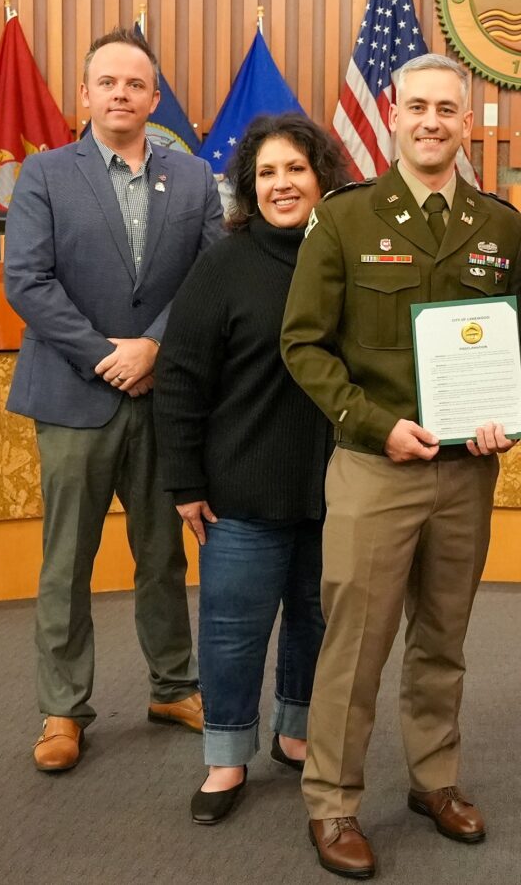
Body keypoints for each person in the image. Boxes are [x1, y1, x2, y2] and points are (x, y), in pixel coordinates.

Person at [281, 53, 521, 880]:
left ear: (468, 123)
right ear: (393, 116)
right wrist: (374, 423)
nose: (432, 121)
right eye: (418, 107)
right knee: (355, 645)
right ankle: (332, 800)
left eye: (448, 110)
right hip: (375, 468)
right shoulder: (347, 218)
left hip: (467, 473)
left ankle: (434, 779)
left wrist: (506, 411)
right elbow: (303, 344)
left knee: (444, 637)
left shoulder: (500, 224)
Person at [4, 26, 223, 772]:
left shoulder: (193, 178)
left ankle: (173, 683)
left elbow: (210, 275)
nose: (122, 95)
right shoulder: (42, 175)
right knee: (67, 560)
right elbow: (26, 282)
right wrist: (107, 356)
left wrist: (156, 348)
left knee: (162, 555)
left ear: (154, 97)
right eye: (109, 83)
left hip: (165, 396)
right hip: (73, 394)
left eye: (136, 84)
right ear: (86, 95)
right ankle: (63, 709)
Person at [153, 114, 347, 825]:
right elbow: (178, 379)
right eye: (266, 173)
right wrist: (185, 483)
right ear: (248, 186)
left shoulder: (348, 255)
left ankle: (294, 733)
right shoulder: (223, 265)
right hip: (240, 492)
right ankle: (226, 757)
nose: (282, 184)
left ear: (322, 175)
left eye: (295, 168)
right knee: (233, 631)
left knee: (315, 623)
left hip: (336, 491)